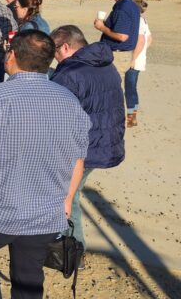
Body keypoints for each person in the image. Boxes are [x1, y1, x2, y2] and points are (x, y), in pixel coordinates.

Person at [0, 31, 91, 298]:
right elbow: (78, 159)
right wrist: (67, 199)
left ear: (12, 56)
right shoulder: (70, 102)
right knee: (28, 279)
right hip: (44, 212)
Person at [50, 25, 124, 259]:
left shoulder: (69, 73)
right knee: (71, 193)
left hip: (84, 148)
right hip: (106, 143)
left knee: (65, 196)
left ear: (65, 47)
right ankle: (68, 245)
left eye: (56, 53)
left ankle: (71, 251)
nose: (56, 59)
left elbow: (56, 116)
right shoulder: (106, 65)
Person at [94, 0, 141, 95]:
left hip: (117, 56)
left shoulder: (123, 8)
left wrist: (102, 27)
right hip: (121, 55)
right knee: (113, 91)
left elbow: (122, 36)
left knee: (112, 92)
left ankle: (119, 114)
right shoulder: (131, 5)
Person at [126, 0, 151, 127]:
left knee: (129, 88)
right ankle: (133, 115)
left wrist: (134, 58)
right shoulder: (144, 20)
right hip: (140, 59)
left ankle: (131, 117)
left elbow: (141, 41)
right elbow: (150, 40)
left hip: (134, 59)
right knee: (133, 87)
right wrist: (141, 54)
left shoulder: (138, 22)